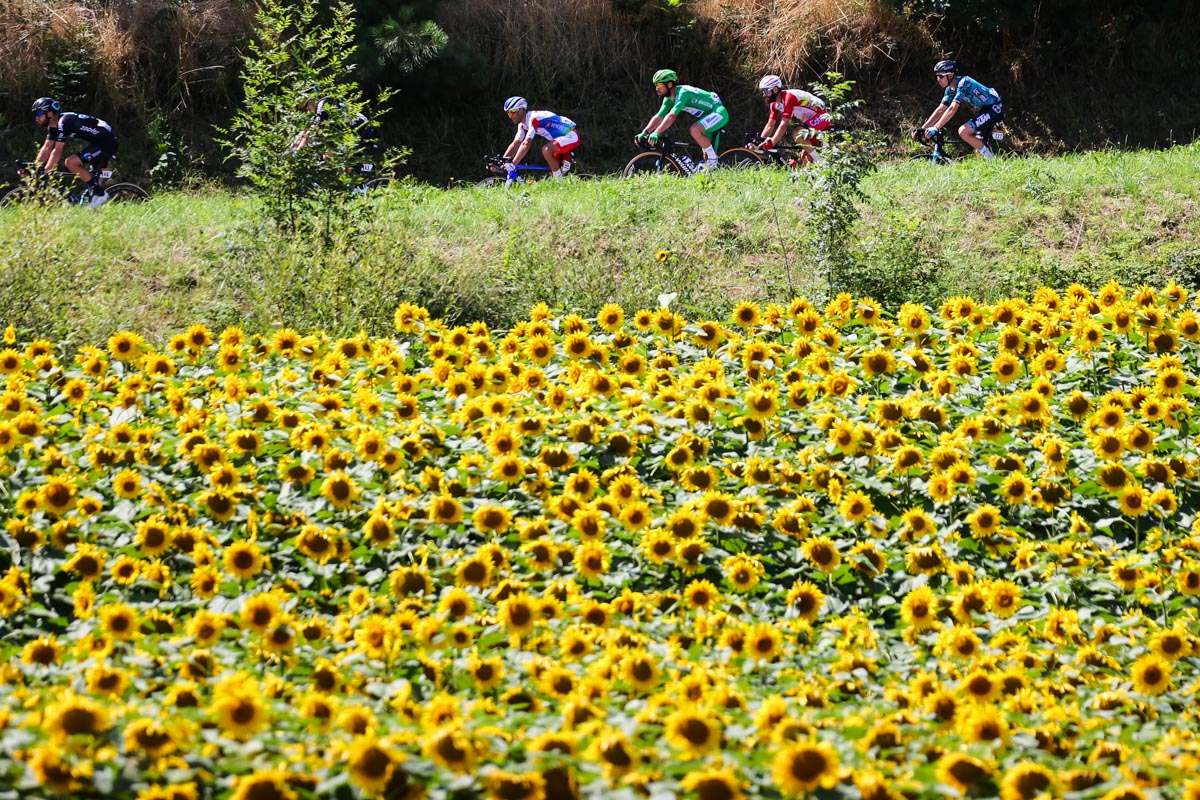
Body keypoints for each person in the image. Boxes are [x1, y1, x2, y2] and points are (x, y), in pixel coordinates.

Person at [30, 97, 118, 208]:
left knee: (71, 162)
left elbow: (57, 151)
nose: (36, 117)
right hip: (97, 143)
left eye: (38, 113)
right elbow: (47, 147)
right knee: (92, 201)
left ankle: (100, 194)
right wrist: (36, 167)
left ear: (50, 113)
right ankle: (96, 203)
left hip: (106, 143)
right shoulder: (53, 125)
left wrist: (45, 171)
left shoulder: (64, 122)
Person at [634, 69, 728, 171]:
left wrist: (657, 132)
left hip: (718, 112)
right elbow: (659, 116)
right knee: (707, 156)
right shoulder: (668, 99)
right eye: (656, 85)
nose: (657, 88)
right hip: (707, 116)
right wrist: (645, 132)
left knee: (695, 130)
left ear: (669, 85)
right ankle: (715, 165)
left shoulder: (683, 93)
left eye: (659, 85)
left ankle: (714, 160)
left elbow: (671, 116)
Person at [913, 60, 1004, 159]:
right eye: (937, 76)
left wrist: (936, 127)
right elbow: (941, 109)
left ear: (951, 75)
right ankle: (990, 159)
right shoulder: (950, 90)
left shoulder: (964, 83)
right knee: (978, 148)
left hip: (994, 108)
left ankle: (992, 161)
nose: (938, 79)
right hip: (985, 109)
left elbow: (952, 108)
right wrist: (923, 128)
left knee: (963, 131)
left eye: (941, 76)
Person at [499, 97, 579, 180]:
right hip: (560, 139)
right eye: (508, 113)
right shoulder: (522, 125)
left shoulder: (533, 119)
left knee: (546, 150)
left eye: (512, 112)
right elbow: (515, 144)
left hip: (571, 136)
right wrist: (501, 161)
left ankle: (559, 182)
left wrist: (513, 163)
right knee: (555, 169)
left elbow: (526, 143)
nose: (510, 116)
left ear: (521, 110)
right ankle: (561, 179)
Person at [755, 75, 830, 163]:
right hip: (811, 121)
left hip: (822, 115)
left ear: (775, 90)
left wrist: (771, 143)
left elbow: (784, 125)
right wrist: (759, 143)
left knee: (797, 133)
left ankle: (819, 161)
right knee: (805, 157)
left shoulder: (788, 98)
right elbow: (769, 126)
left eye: (765, 91)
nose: (764, 95)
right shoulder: (774, 105)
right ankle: (820, 159)